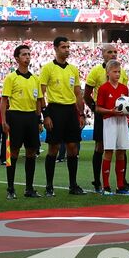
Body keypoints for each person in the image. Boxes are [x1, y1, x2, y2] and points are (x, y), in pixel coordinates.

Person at [38, 36, 85, 196]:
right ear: (56, 49)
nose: (67, 49)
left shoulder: (73, 69)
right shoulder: (47, 68)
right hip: (55, 109)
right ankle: (49, 186)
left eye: (68, 46)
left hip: (71, 111)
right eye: (63, 47)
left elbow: (78, 93)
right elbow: (41, 93)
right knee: (54, 148)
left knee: (73, 147)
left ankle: (73, 185)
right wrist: (46, 115)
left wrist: (81, 113)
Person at [0, 44, 43, 200]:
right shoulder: (11, 78)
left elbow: (39, 101)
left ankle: (29, 188)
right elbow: (4, 101)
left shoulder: (35, 79)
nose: (27, 57)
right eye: (24, 54)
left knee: (31, 152)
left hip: (31, 117)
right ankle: (10, 188)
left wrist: (39, 120)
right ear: (17, 58)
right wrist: (4, 120)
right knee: (13, 153)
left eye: (29, 54)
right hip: (15, 117)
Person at [85, 44, 129, 191]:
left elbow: (125, 100)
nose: (113, 54)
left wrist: (126, 110)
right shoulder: (96, 72)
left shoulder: (122, 76)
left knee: (121, 148)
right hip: (105, 116)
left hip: (120, 118)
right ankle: (99, 181)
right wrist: (97, 109)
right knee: (101, 147)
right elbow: (87, 93)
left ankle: (121, 182)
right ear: (103, 54)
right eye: (109, 52)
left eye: (115, 52)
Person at [95, 60, 129, 194]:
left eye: (119, 72)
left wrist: (128, 114)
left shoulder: (124, 88)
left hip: (122, 121)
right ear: (108, 72)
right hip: (109, 121)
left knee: (121, 152)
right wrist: (111, 111)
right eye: (115, 72)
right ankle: (106, 186)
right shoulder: (103, 88)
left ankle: (120, 186)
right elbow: (98, 108)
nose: (117, 74)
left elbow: (127, 106)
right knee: (109, 151)